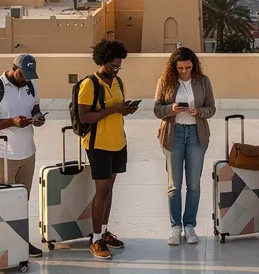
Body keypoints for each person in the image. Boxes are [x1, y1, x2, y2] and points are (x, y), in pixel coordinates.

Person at [0, 53, 46, 258]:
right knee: (1, 203)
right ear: (14, 68)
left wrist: (38, 118)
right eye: (24, 74)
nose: (26, 79)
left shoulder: (31, 86)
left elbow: (35, 109)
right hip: (3, 155)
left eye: (30, 75)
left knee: (21, 202)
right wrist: (11, 122)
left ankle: (21, 243)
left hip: (27, 153)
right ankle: (1, 249)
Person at [77, 38, 138, 260]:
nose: (116, 69)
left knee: (109, 189)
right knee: (102, 190)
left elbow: (117, 108)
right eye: (113, 65)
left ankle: (103, 231)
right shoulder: (89, 85)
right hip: (98, 144)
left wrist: (125, 110)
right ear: (102, 61)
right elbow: (84, 116)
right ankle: (95, 239)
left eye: (119, 66)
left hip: (117, 142)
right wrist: (114, 110)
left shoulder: (118, 82)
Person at [152, 47, 216, 245]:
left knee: (194, 184)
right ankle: (175, 227)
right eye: (180, 68)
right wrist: (171, 109)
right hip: (174, 135)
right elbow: (157, 109)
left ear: (193, 65)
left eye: (188, 67)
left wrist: (199, 112)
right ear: (174, 67)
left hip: (196, 135)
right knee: (174, 184)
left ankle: (189, 225)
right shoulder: (165, 81)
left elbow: (212, 108)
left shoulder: (203, 81)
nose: (184, 71)